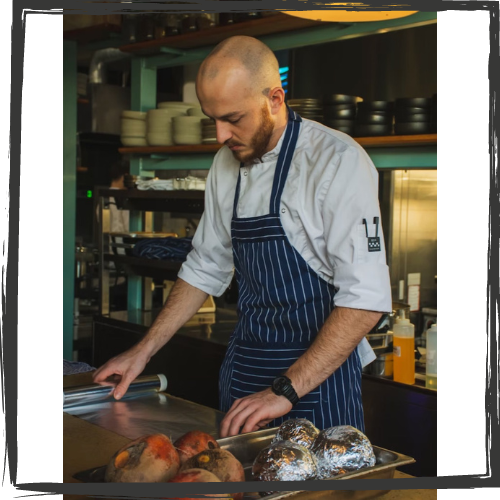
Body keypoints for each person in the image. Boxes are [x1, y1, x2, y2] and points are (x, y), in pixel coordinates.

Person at [93, 36, 392, 438]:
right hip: (245, 375)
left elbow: (365, 301)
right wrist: (141, 352)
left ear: (275, 99)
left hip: (317, 386)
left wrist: (284, 389)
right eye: (212, 119)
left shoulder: (337, 161)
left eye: (233, 118)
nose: (220, 135)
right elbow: (204, 265)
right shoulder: (226, 162)